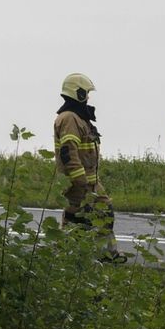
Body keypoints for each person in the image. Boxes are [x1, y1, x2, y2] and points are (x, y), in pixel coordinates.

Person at [54, 73, 124, 261]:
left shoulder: (79, 118)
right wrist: (79, 181)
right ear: (78, 93)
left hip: (92, 182)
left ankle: (108, 254)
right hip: (79, 183)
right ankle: (64, 257)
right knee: (76, 220)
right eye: (86, 93)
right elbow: (68, 152)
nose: (89, 97)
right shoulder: (69, 118)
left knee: (105, 212)